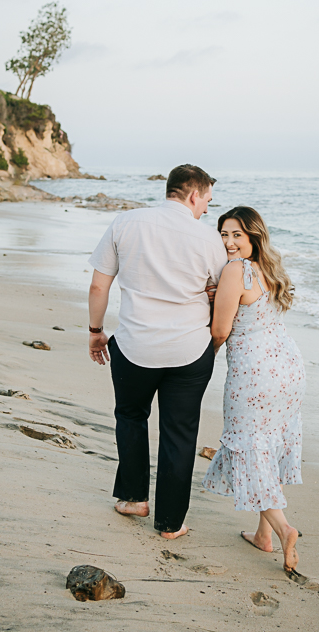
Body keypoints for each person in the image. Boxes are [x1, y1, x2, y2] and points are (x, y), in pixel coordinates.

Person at [87, 165, 226, 539]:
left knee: (131, 417)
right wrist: (215, 340)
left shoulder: (125, 223)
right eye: (207, 201)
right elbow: (220, 294)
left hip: (135, 345)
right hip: (190, 349)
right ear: (194, 195)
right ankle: (170, 523)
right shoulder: (209, 239)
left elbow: (99, 287)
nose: (207, 210)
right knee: (179, 432)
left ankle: (133, 499)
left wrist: (96, 332)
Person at [202, 206, 306, 572]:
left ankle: (283, 528)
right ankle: (262, 536)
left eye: (237, 236)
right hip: (289, 370)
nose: (229, 243)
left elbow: (220, 330)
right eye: (224, 235)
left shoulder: (236, 271)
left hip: (255, 376)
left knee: (248, 445)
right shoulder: (271, 269)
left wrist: (200, 361)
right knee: (271, 443)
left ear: (253, 237)